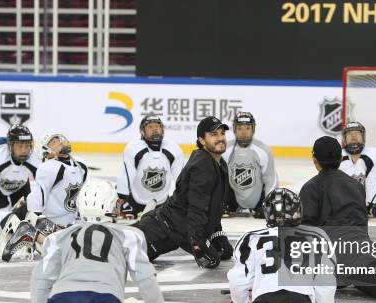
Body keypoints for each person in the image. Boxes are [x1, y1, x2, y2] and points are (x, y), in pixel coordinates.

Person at [3, 179, 173, 303]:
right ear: (112, 205)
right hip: (104, 297)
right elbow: (144, 275)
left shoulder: (58, 237)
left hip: (64, 298)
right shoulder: (130, 235)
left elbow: (41, 276)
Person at [227, 188, 336, 303]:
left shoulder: (251, 238)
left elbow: (238, 279)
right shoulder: (315, 237)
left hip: (265, 295)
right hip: (300, 295)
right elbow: (326, 278)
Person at [300, 136, 376, 301]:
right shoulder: (356, 185)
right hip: (364, 252)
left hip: (338, 264)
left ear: (314, 159)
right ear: (341, 158)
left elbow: (305, 234)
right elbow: (362, 226)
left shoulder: (310, 188)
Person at [134, 116, 234, 268]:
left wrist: (216, 233)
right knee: (115, 250)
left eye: (222, 134)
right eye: (214, 135)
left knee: (223, 251)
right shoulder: (202, 166)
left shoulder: (219, 163)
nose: (220, 138)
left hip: (172, 229)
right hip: (157, 231)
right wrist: (197, 243)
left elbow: (213, 207)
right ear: (201, 140)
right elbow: (196, 208)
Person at [0, 133, 88, 262]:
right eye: (54, 143)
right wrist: (33, 222)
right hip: (51, 223)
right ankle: (29, 233)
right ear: (48, 153)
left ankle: (38, 238)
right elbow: (37, 201)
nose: (60, 143)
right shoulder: (49, 168)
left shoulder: (81, 164)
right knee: (69, 253)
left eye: (59, 140)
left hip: (71, 222)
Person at [116, 115, 184, 219]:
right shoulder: (133, 148)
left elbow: (181, 179)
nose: (155, 129)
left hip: (162, 203)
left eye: (157, 126)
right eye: (150, 127)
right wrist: (123, 198)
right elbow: (126, 176)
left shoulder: (173, 149)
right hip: (135, 202)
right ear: (142, 132)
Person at [222, 112, 277, 217]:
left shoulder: (264, 151)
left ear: (253, 130)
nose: (244, 132)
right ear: (234, 130)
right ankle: (226, 204)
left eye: (247, 128)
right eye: (240, 128)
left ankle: (261, 205)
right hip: (232, 199)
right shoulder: (225, 150)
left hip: (258, 200)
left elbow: (271, 180)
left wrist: (269, 203)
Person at [339, 121, 376, 212]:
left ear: (363, 138)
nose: (353, 136)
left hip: (366, 205)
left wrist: (371, 206)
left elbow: (373, 182)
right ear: (344, 139)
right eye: (349, 134)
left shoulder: (373, 155)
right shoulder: (338, 156)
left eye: (357, 133)